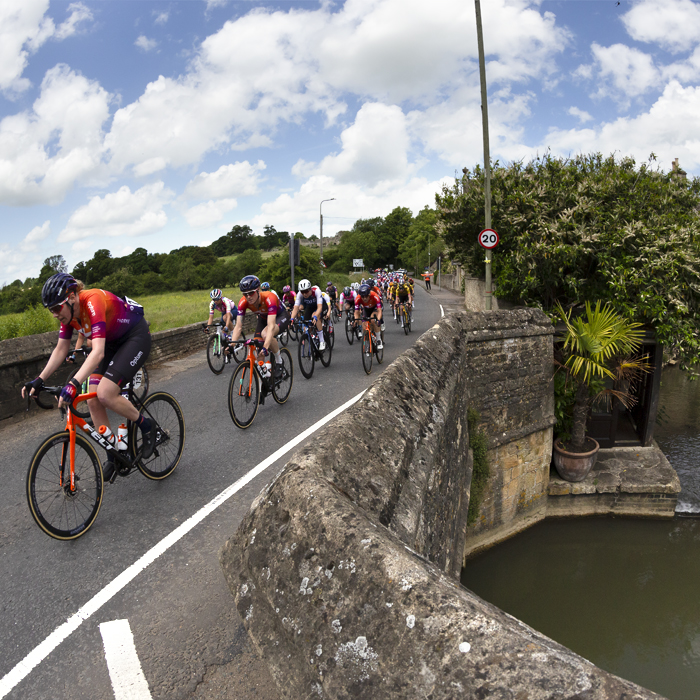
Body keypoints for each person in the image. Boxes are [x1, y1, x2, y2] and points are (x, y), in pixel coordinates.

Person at [22, 273, 156, 482]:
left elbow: (98, 352)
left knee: (105, 394)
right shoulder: (68, 315)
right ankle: (114, 453)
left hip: (134, 338)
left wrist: (74, 383)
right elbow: (61, 349)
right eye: (51, 311)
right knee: (92, 399)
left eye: (57, 308)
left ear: (72, 297)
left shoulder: (92, 300)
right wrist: (39, 380)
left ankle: (147, 426)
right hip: (112, 343)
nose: (56, 314)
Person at [229, 275, 289, 378]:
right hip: (263, 318)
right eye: (245, 294)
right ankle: (263, 382)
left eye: (251, 293)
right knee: (258, 349)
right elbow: (238, 326)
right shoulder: (243, 302)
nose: (248, 297)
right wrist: (231, 346)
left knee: (266, 334)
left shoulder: (269, 298)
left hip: (280, 316)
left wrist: (266, 347)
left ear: (258, 290)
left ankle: (279, 362)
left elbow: (270, 326)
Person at [290, 279, 327, 351]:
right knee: (306, 322)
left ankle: (322, 341)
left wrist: (316, 316)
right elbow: (295, 308)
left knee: (315, 316)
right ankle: (313, 337)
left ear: (310, 289)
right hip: (310, 307)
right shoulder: (299, 294)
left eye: (306, 291)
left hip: (320, 306)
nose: (304, 294)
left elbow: (319, 307)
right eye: (302, 292)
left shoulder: (316, 291)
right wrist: (292, 318)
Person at [354, 283, 383, 350]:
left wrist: (378, 320)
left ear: (369, 294)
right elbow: (356, 312)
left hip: (375, 308)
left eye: (366, 296)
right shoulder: (358, 298)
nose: (364, 298)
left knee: (373, 320)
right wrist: (355, 321)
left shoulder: (375, 295)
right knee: (364, 328)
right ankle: (368, 344)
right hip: (366, 309)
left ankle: (379, 340)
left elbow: (379, 310)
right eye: (362, 296)